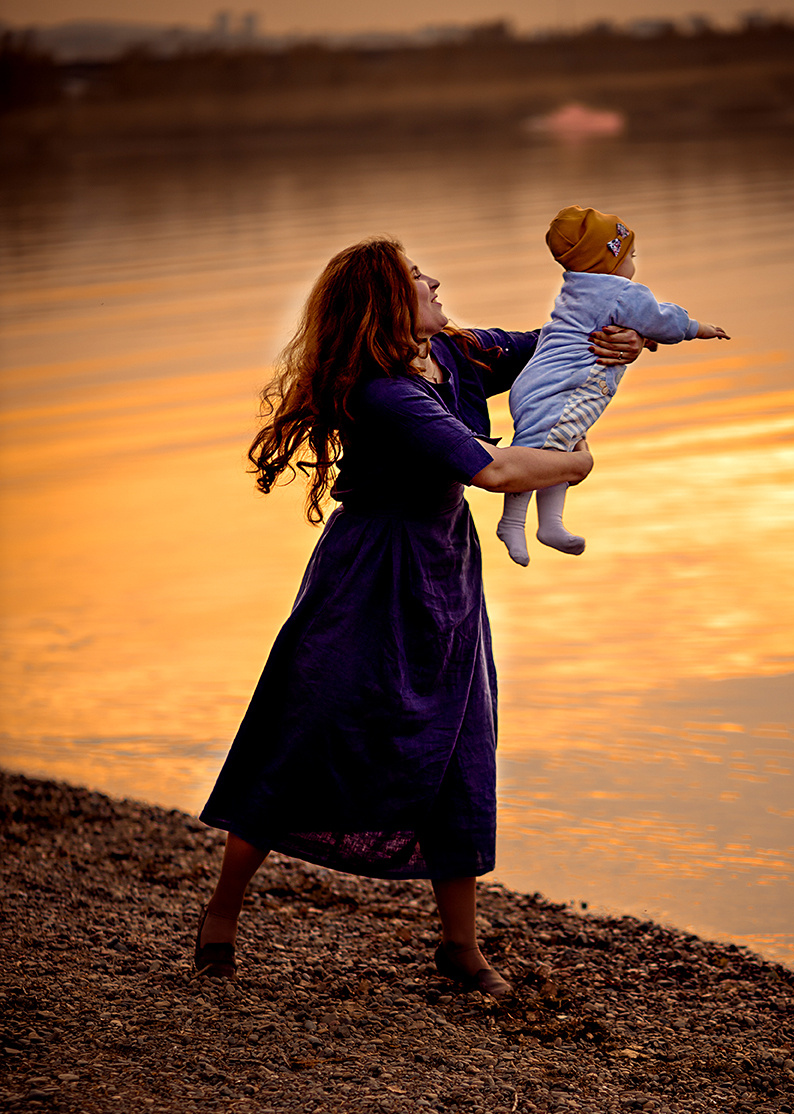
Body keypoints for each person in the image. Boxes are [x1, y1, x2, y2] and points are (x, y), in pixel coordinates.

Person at [194, 238, 645, 996]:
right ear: (385, 301)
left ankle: (460, 948)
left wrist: (621, 338)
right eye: (414, 275)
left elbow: (558, 343)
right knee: (305, 730)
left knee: (459, 739)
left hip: (444, 566)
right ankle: (220, 917)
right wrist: (579, 464)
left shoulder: (457, 354)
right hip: (368, 572)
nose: (434, 280)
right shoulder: (383, 394)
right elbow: (492, 469)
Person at [497, 204, 730, 567]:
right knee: (538, 454)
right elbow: (661, 320)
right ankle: (512, 523)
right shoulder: (622, 293)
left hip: (540, 383)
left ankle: (551, 525)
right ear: (610, 260)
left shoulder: (577, 288)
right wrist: (697, 328)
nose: (633, 265)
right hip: (562, 389)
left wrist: (641, 338)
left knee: (557, 452)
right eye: (630, 256)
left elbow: (631, 326)